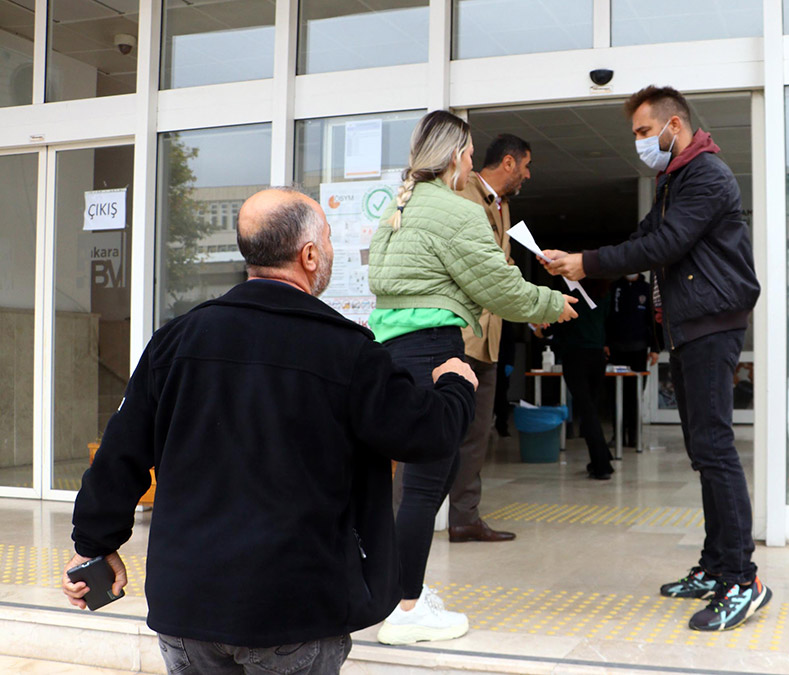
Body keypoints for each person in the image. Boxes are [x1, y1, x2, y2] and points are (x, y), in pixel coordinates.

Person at [62, 187, 478, 674]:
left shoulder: (177, 340)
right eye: (327, 239)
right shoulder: (347, 351)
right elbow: (424, 434)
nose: (330, 251)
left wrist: (94, 545)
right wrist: (455, 385)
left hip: (187, 608)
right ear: (308, 255)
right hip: (293, 611)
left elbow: (120, 454)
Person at [544, 85, 768, 632]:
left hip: (712, 323)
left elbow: (663, 247)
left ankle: (744, 580)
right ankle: (717, 566)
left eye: (645, 132)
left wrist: (586, 262)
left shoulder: (708, 177)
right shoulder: (673, 180)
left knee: (714, 448)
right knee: (702, 449)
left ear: (674, 125)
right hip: (690, 327)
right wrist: (580, 263)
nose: (640, 143)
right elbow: (643, 238)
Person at [368, 110, 576, 644]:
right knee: (425, 485)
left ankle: (396, 593)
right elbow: (499, 290)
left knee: (414, 484)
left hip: (392, 349)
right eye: (467, 151)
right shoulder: (453, 211)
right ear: (458, 156)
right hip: (435, 351)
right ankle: (408, 609)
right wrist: (554, 304)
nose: (469, 159)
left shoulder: (401, 205)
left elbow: (381, 279)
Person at [448, 133, 533, 543]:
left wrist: (533, 310)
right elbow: (481, 268)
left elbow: (504, 264)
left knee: (476, 435)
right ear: (509, 163)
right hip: (459, 337)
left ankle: (465, 518)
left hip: (488, 339)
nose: (528, 175)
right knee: (437, 430)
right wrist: (536, 303)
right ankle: (399, 519)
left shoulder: (501, 205)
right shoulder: (462, 192)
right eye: (526, 165)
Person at [543, 280, 612, 479]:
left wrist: (543, 330)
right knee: (592, 408)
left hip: (575, 356)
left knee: (586, 411)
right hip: (597, 356)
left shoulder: (571, 295)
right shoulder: (603, 293)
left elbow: (560, 324)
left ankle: (601, 465)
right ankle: (603, 456)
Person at [605, 272, 659, 448]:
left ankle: (634, 436)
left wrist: (655, 348)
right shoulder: (614, 288)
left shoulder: (646, 289)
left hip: (639, 349)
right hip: (616, 349)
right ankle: (618, 434)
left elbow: (654, 320)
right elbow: (606, 316)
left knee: (635, 396)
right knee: (616, 395)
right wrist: (604, 342)